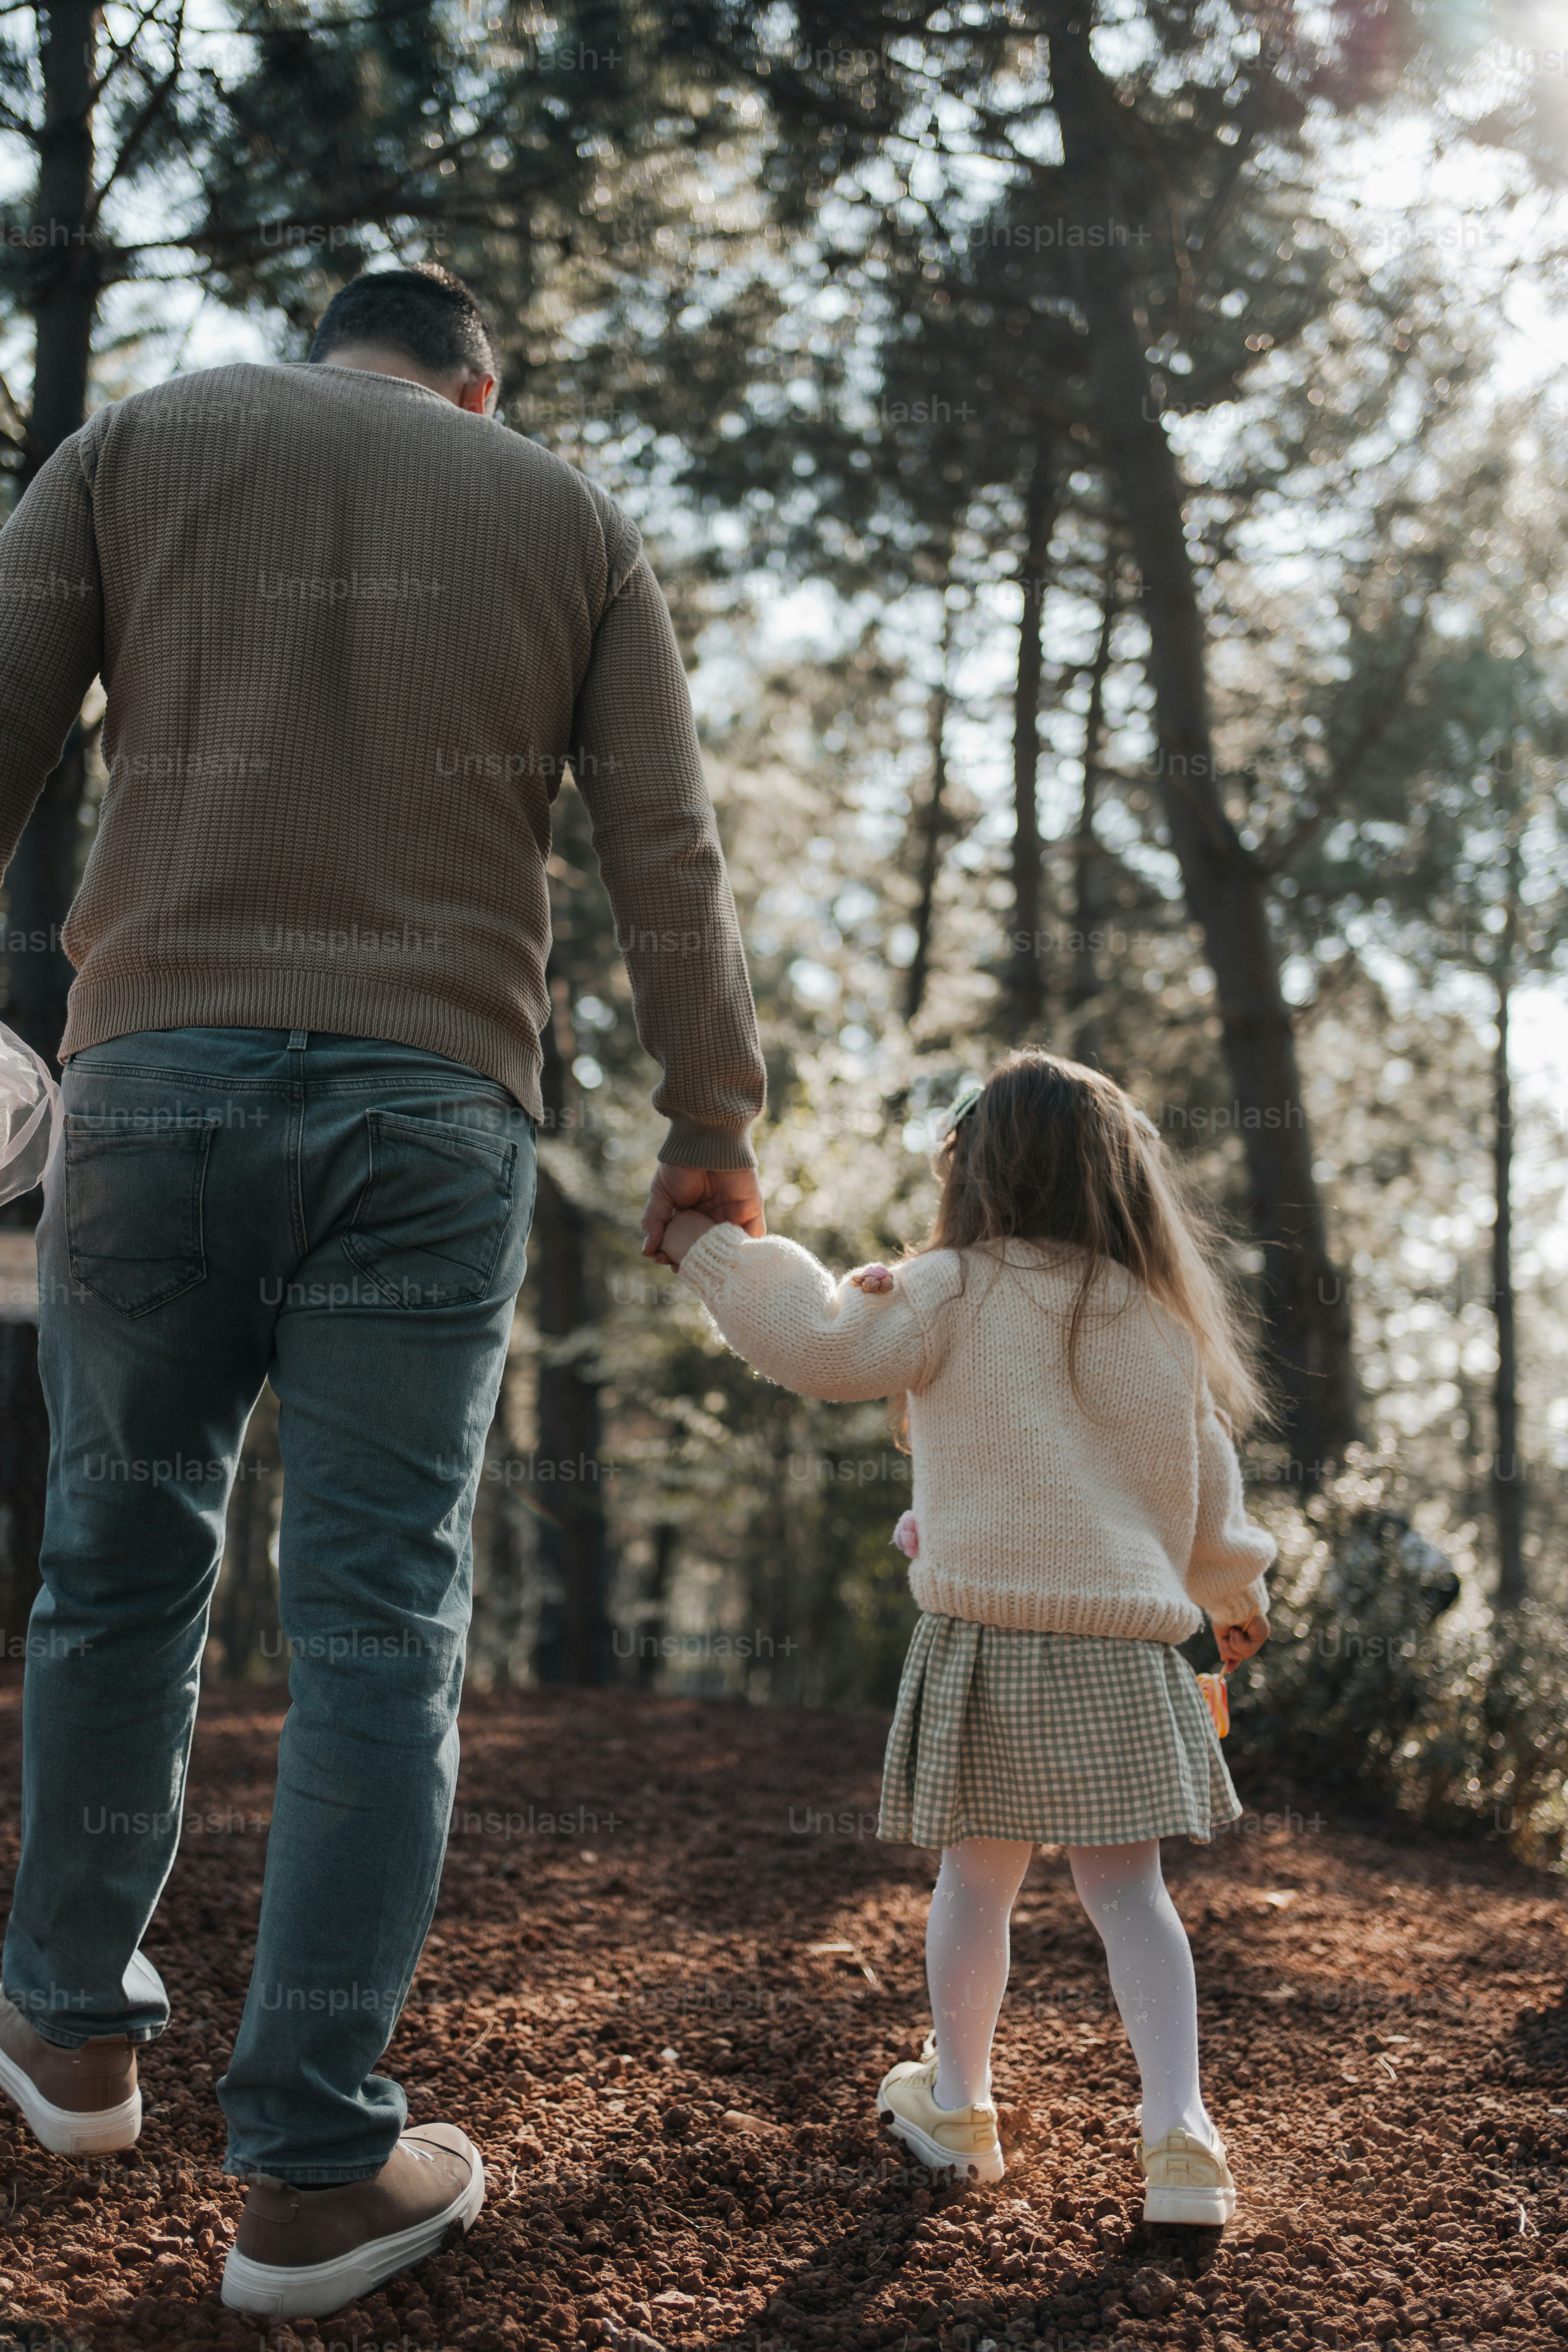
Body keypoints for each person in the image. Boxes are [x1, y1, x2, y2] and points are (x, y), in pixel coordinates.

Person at [0, 264, 765, 2318]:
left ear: (322, 348)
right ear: (478, 388)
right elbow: (664, 845)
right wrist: (714, 1120)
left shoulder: (150, 440)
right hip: (434, 1114)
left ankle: (67, 2028)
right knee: (374, 1621)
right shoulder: (564, 517)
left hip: (151, 1086)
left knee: (118, 1556)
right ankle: (314, 2170)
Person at [658, 1047, 1273, 2223]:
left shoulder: (950, 1285)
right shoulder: (1156, 1320)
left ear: (974, 1169)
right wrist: (1235, 1605)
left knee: (977, 1884)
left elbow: (823, 1345)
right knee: (1132, 1896)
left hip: (990, 1641)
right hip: (1130, 1648)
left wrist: (709, 1247)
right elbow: (1207, 1494)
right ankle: (1180, 2137)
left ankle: (959, 2102)